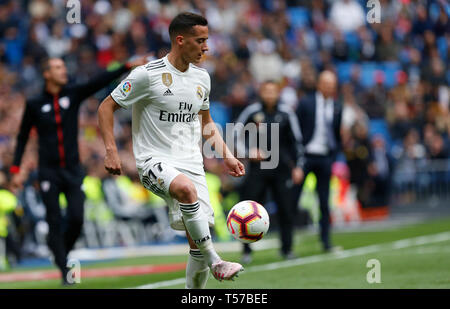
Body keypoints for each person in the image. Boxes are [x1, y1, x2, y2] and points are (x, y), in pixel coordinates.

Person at [98, 12, 246, 288]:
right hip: (153, 161)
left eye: (207, 41)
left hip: (191, 163)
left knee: (196, 242)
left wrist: (227, 155)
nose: (206, 47)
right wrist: (111, 150)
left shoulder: (202, 78)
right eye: (200, 41)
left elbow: (207, 123)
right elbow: (106, 105)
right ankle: (217, 261)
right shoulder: (147, 75)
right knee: (186, 192)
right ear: (180, 40)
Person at [10, 54, 148, 285]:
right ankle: (65, 269)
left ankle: (61, 250)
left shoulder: (72, 94)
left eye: (64, 67)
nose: (63, 71)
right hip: (49, 172)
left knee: (76, 218)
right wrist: (16, 169)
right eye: (58, 68)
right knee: (54, 219)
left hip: (73, 170)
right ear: (47, 74)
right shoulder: (34, 104)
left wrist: (125, 66)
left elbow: (98, 81)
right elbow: (23, 137)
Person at [235, 80, 305, 263]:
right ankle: (246, 250)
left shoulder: (287, 113)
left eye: (273, 91)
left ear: (278, 93)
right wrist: (248, 153)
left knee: (286, 209)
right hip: (257, 169)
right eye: (266, 91)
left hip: (281, 170)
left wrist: (298, 166)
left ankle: (287, 249)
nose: (269, 94)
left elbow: (296, 142)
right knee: (248, 210)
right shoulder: (252, 112)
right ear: (261, 92)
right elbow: (236, 135)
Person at [292, 70, 343, 252]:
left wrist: (333, 155)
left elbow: (336, 133)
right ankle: (288, 244)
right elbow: (295, 130)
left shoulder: (337, 105)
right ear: (319, 84)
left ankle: (326, 241)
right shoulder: (306, 103)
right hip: (305, 156)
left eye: (332, 85)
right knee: (293, 198)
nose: (329, 88)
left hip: (325, 157)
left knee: (324, 201)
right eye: (326, 84)